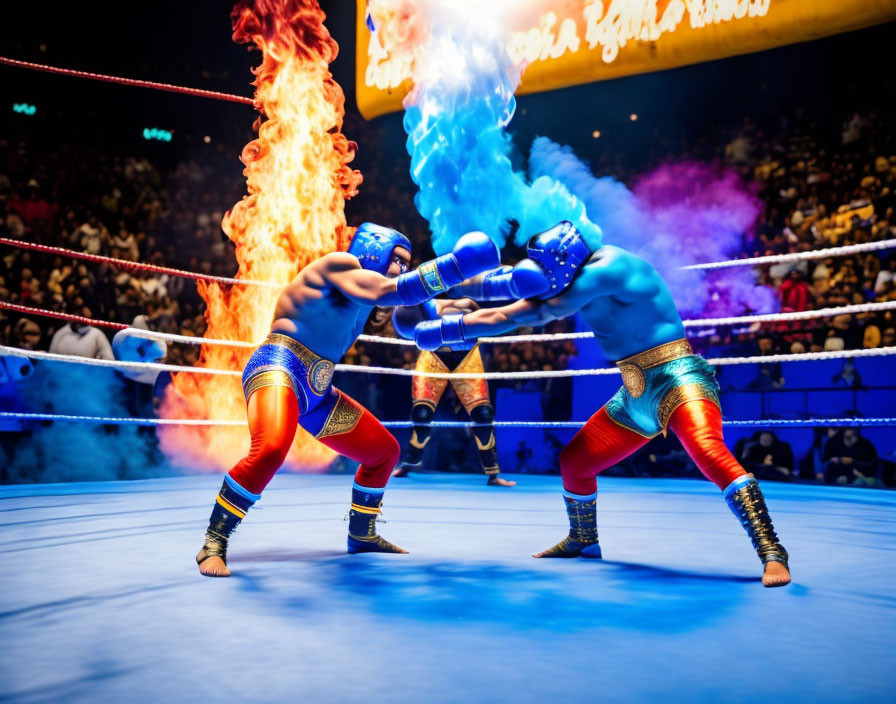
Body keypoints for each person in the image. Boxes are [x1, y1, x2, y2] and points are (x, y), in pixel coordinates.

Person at [415, 220, 791, 587]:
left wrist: (455, 328)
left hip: (678, 377)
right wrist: (449, 288)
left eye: (548, 278)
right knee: (575, 461)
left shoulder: (609, 268)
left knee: (709, 451)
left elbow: (534, 311)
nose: (545, 286)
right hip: (635, 389)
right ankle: (584, 539)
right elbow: (521, 301)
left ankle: (772, 550)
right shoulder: (574, 276)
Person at [196, 223, 498, 577]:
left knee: (383, 453)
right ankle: (213, 543)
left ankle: (362, 533)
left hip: (317, 390)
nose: (400, 268)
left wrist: (452, 324)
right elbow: (394, 290)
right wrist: (456, 266)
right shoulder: (339, 265)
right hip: (279, 366)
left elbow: (406, 305)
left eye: (405, 263)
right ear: (374, 251)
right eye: (395, 260)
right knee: (271, 448)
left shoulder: (364, 302)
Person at [391, 299, 516, 486]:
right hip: (434, 353)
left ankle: (493, 474)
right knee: (422, 413)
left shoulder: (467, 301)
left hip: (466, 354)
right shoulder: (429, 302)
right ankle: (409, 463)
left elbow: (482, 319)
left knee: (482, 413)